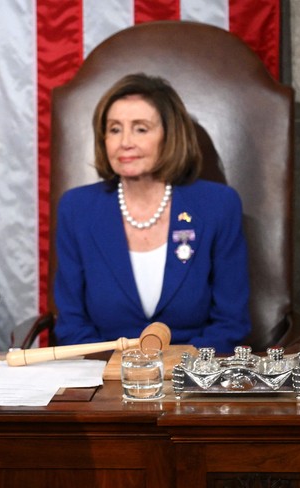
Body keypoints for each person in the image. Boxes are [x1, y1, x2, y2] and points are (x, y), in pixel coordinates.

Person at [53, 73, 251, 353]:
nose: (125, 142)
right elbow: (71, 324)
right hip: (104, 377)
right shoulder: (77, 208)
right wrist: (120, 373)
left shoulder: (217, 205)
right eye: (114, 129)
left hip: (192, 379)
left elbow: (231, 323)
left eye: (141, 129)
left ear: (169, 137)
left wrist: (176, 369)